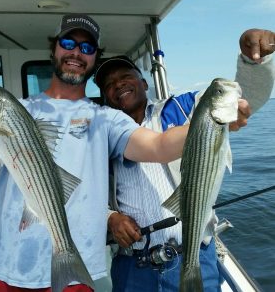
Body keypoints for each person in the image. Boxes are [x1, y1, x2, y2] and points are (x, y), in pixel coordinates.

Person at [0, 14, 190, 292]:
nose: (76, 52)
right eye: (68, 43)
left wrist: (210, 122)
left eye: (87, 48)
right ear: (54, 48)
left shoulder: (106, 118)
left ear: (94, 58)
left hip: (74, 274)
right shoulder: (19, 109)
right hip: (3, 265)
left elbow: (159, 147)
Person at [93, 29, 275, 292]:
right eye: (108, 84)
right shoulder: (100, 136)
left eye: (125, 76)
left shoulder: (182, 107)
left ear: (144, 83)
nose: (118, 84)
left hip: (193, 255)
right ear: (104, 96)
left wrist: (253, 61)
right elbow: (86, 196)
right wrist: (110, 217)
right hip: (133, 267)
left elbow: (243, 101)